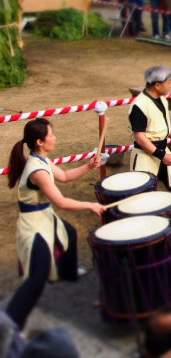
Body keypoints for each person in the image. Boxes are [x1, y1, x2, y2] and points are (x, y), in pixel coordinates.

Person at [5, 118, 105, 329]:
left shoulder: (42, 160)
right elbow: (61, 202)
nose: (55, 137)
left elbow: (66, 176)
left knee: (68, 232)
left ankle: (67, 274)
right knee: (37, 278)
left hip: (43, 216)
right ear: (40, 142)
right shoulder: (38, 171)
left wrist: (87, 166)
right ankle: (10, 322)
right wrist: (90, 205)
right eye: (51, 135)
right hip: (33, 225)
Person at [128, 66, 171, 213]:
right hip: (145, 154)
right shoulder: (139, 105)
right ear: (157, 85)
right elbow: (140, 138)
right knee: (144, 194)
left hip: (162, 150)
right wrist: (162, 155)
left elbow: (165, 128)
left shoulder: (162, 100)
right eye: (169, 82)